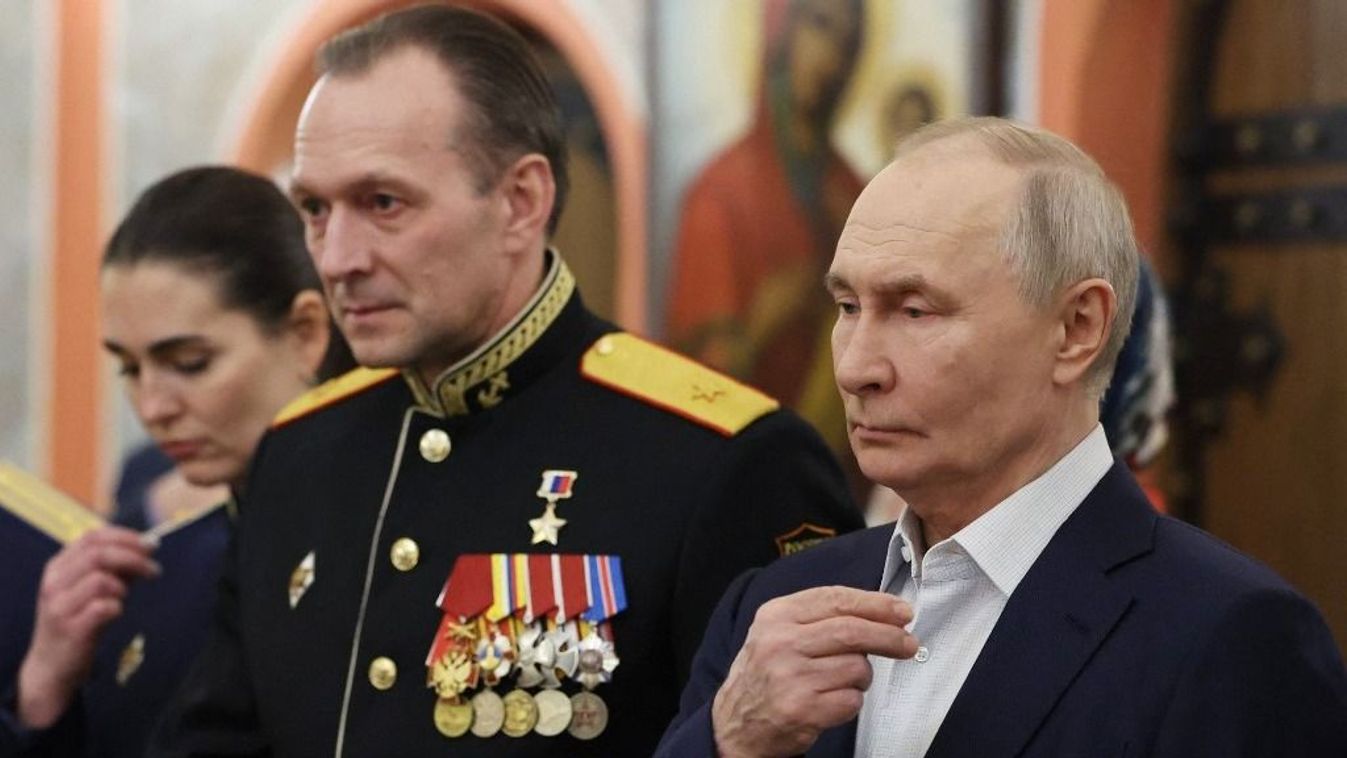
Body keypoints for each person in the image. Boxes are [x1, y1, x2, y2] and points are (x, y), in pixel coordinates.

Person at [149, 6, 860, 757]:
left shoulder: (722, 460)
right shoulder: (299, 453)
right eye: (315, 209)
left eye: (383, 204)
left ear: (521, 201)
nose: (336, 258)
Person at [656, 117, 1347, 757]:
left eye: (914, 310)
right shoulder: (775, 603)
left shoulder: (1227, 636)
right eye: (847, 306)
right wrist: (729, 740)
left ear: (1076, 329)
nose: (855, 368)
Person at [0, 165, 353, 757]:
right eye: (130, 369)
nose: (153, 407)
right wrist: (42, 693)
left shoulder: (392, 539)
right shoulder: (161, 573)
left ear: (305, 332)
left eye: (190, 363)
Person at [666, 0, 866, 465]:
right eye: (819, 27)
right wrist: (765, 320)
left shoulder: (854, 193)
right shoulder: (718, 192)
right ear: (781, 33)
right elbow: (691, 384)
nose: (831, 59)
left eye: (848, 44)